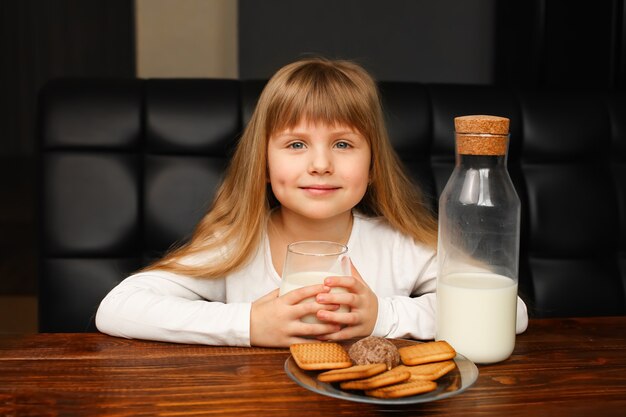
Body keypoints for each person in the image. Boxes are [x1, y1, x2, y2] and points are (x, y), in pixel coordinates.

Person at [95, 57, 528, 347]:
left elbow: (513, 313)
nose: (320, 164)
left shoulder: (400, 246)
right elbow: (117, 308)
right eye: (297, 144)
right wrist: (250, 324)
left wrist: (382, 316)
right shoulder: (237, 244)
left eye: (342, 144)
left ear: (373, 164)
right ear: (263, 165)